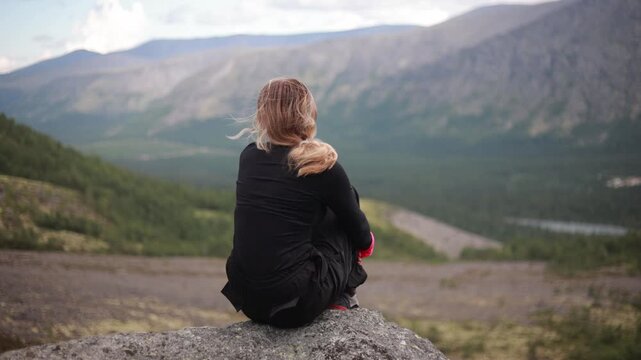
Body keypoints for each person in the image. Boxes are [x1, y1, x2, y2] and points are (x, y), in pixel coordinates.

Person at [221, 77, 376, 328]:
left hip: (249, 300)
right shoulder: (324, 169)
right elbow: (362, 238)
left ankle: (327, 288)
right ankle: (343, 294)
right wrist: (363, 246)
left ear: (262, 117)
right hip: (297, 304)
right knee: (345, 206)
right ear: (307, 115)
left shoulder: (248, 157)